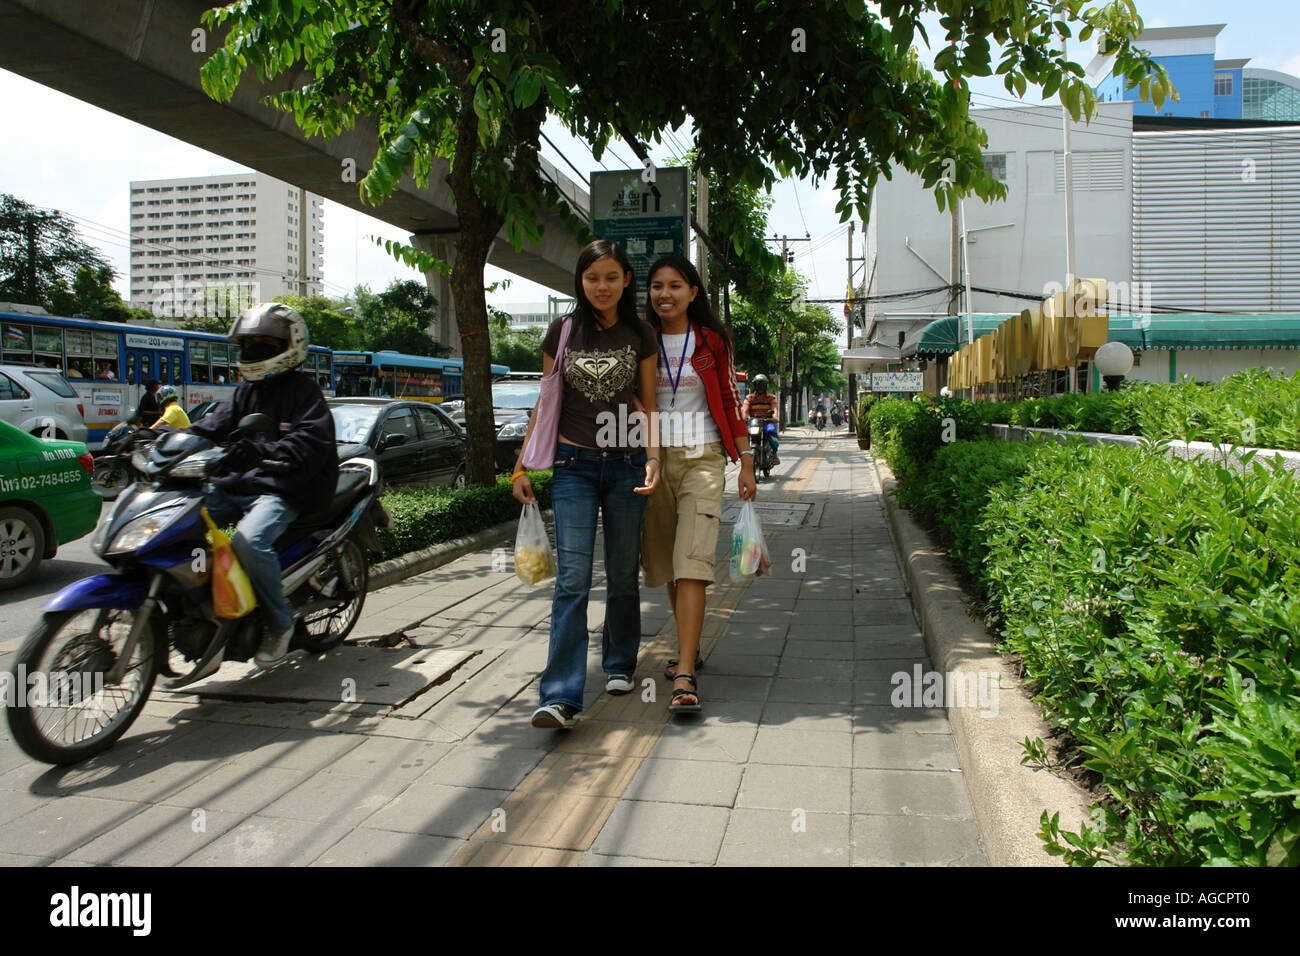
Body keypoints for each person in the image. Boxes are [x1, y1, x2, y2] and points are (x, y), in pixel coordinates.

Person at [512, 240, 661, 729]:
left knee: (620, 573)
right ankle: (559, 696)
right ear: (580, 280)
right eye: (592, 277)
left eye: (612, 277)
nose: (601, 286)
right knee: (573, 580)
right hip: (572, 465)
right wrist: (521, 466)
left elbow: (647, 404)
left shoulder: (640, 333)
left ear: (625, 281)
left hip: (625, 465)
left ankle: (618, 662)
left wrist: (653, 458)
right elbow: (546, 400)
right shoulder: (563, 330)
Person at [187, 303, 339, 667]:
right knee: (180, 523)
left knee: (248, 541)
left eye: (265, 345)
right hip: (235, 485)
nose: (253, 352)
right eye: (248, 344)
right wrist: (160, 440)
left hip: (281, 489)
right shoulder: (243, 393)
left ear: (290, 345)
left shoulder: (305, 393)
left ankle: (279, 623)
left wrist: (262, 449)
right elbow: (209, 428)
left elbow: (309, 439)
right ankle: (207, 611)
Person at [640, 255, 755, 715]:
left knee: (692, 561)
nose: (664, 294)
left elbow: (728, 399)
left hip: (703, 459)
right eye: (656, 286)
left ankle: (685, 671)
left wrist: (745, 461)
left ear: (692, 292)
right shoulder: (641, 340)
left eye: (675, 285)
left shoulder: (710, 340)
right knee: (668, 563)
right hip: (651, 462)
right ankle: (691, 647)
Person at [741, 374, 780, 465]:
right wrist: (745, 417)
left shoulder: (771, 398)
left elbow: (774, 409)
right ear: (755, 385)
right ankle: (743, 453)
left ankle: (774, 454)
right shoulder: (749, 398)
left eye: (762, 384)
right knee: (743, 433)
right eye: (758, 384)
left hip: (767, 422)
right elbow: (745, 410)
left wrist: (774, 417)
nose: (760, 386)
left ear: (766, 386)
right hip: (753, 422)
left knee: (771, 431)